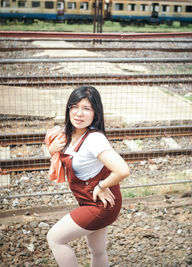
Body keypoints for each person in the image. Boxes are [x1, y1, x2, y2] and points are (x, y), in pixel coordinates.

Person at [46, 85, 130, 267]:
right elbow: (62, 155)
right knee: (97, 250)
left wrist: (101, 186)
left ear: (95, 113)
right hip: (89, 201)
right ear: (68, 109)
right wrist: (52, 150)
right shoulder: (67, 135)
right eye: (74, 107)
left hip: (101, 205)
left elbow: (122, 170)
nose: (79, 113)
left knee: (55, 238)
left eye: (86, 108)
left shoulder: (94, 139)